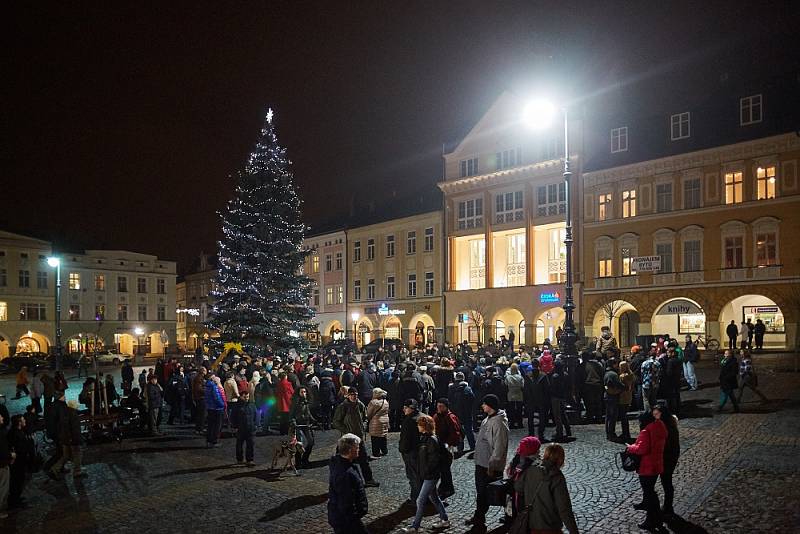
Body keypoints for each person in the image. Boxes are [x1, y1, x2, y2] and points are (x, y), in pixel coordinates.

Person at [514, 443, 579, 534]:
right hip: (550, 526)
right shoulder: (556, 476)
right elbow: (564, 508)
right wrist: (574, 531)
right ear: (560, 459)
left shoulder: (531, 469)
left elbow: (518, 487)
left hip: (532, 524)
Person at [465, 393, 509, 530]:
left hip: (489, 465)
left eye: (484, 403)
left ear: (490, 406)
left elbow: (499, 446)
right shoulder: (488, 418)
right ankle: (479, 517)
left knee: (495, 493)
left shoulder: (499, 422)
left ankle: (509, 515)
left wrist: (492, 465)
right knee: (482, 493)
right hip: (482, 463)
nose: (482, 405)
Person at [401, 414, 450, 533]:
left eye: (419, 425)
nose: (418, 426)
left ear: (425, 426)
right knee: (434, 498)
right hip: (427, 474)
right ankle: (445, 520)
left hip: (430, 476)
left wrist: (426, 471)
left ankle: (415, 527)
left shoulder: (431, 440)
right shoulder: (424, 438)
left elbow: (434, 460)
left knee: (420, 500)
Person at [626, 411, 668, 531]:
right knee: (651, 492)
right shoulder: (660, 426)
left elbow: (641, 449)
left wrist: (630, 447)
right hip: (656, 464)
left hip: (647, 467)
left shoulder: (646, 431)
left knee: (649, 493)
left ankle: (651, 520)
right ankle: (657, 517)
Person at [333, 387, 379, 487]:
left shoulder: (360, 404)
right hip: (347, 439)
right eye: (352, 395)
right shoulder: (343, 407)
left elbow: (365, 418)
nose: (354, 396)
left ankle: (369, 480)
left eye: (356, 395)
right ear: (348, 395)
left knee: (364, 461)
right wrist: (346, 431)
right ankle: (339, 481)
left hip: (359, 437)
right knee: (342, 460)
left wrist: (364, 426)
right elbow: (336, 422)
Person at [327, 433, 369, 534]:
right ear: (350, 450)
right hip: (346, 520)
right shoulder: (345, 473)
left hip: (343, 517)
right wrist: (354, 518)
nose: (359, 450)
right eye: (357, 447)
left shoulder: (341, 464)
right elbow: (346, 501)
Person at [49, 400, 86, 480]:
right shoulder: (73, 415)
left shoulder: (65, 413)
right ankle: (77, 471)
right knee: (77, 455)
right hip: (72, 440)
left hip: (65, 439)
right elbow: (75, 429)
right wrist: (77, 440)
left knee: (66, 456)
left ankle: (54, 469)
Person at [433, 398, 461, 499]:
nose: (439, 408)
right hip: (438, 446)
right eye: (438, 406)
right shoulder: (436, 416)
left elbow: (455, 433)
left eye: (441, 406)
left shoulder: (450, 417)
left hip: (446, 447)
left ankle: (448, 488)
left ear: (446, 407)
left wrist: (448, 444)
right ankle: (443, 487)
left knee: (445, 469)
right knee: (442, 469)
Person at [655, 404, 680, 519]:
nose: (654, 416)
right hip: (671, 457)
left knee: (667, 482)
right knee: (667, 482)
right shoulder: (670, 423)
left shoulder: (666, 427)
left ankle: (668, 507)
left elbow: (666, 446)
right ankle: (667, 506)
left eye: (656, 413)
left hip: (667, 458)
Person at [7, 414, 34, 509]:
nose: (25, 421)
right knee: (17, 481)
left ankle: (16, 498)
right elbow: (20, 448)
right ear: (19, 423)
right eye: (23, 420)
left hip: (19, 461)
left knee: (18, 481)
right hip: (18, 462)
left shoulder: (16, 432)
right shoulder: (16, 434)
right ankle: (14, 501)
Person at [399, 398, 422, 502]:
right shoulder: (422, 417)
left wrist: (403, 450)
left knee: (413, 476)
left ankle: (415, 498)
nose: (404, 410)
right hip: (420, 451)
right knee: (419, 475)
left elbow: (405, 439)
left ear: (411, 408)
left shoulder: (409, 420)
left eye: (405, 408)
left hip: (411, 452)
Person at [289, 386, 316, 467]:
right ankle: (298, 462)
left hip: (306, 424)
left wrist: (313, 419)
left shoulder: (306, 402)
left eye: (305, 392)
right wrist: (294, 422)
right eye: (302, 392)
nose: (304, 394)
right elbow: (291, 415)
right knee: (299, 444)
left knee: (311, 442)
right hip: (298, 425)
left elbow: (308, 412)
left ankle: (305, 459)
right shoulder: (295, 403)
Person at [449, 372, 475, 452]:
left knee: (458, 430)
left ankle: (460, 447)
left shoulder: (451, 388)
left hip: (455, 412)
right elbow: (472, 399)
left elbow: (449, 399)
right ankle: (472, 446)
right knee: (469, 430)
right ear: (463, 378)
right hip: (467, 412)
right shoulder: (468, 388)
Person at [603, 358, 625, 441]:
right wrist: (625, 387)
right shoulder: (613, 374)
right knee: (612, 416)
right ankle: (611, 433)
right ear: (613, 364)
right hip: (612, 397)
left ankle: (609, 433)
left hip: (608, 396)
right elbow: (619, 385)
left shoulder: (607, 373)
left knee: (608, 416)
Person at [234, 390, 256, 466]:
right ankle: (239, 459)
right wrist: (235, 426)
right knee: (239, 444)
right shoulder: (237, 406)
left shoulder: (251, 405)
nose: (246, 398)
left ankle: (249, 459)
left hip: (250, 428)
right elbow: (233, 417)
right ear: (241, 396)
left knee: (250, 444)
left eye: (247, 397)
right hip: (241, 428)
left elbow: (255, 415)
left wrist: (255, 424)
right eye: (245, 397)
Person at [366, 388, 389, 458]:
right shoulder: (385, 401)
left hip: (376, 422)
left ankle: (376, 454)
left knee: (375, 438)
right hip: (385, 421)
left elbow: (368, 413)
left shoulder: (373, 402)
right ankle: (385, 451)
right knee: (383, 436)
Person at [205, 374, 226, 447]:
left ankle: (209, 440)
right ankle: (214, 441)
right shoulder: (214, 387)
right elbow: (217, 397)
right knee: (217, 425)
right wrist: (222, 404)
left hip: (210, 407)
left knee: (210, 425)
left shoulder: (207, 386)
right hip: (217, 408)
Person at [617, 360, 635, 443]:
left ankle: (625, 433)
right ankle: (626, 433)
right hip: (629, 396)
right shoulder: (631, 375)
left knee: (623, 417)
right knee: (625, 416)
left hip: (622, 397)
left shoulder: (622, 376)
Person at [0, 412, 13, 519]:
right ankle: (1, 510)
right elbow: (3, 451)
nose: (2, 417)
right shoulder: (1, 434)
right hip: (2, 464)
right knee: (3, 487)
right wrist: (10, 455)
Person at [505, 363, 524, 429]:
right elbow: (522, 386)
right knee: (519, 410)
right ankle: (520, 423)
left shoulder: (508, 377)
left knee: (511, 410)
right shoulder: (520, 377)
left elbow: (506, 384)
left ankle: (512, 423)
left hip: (511, 394)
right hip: (519, 394)